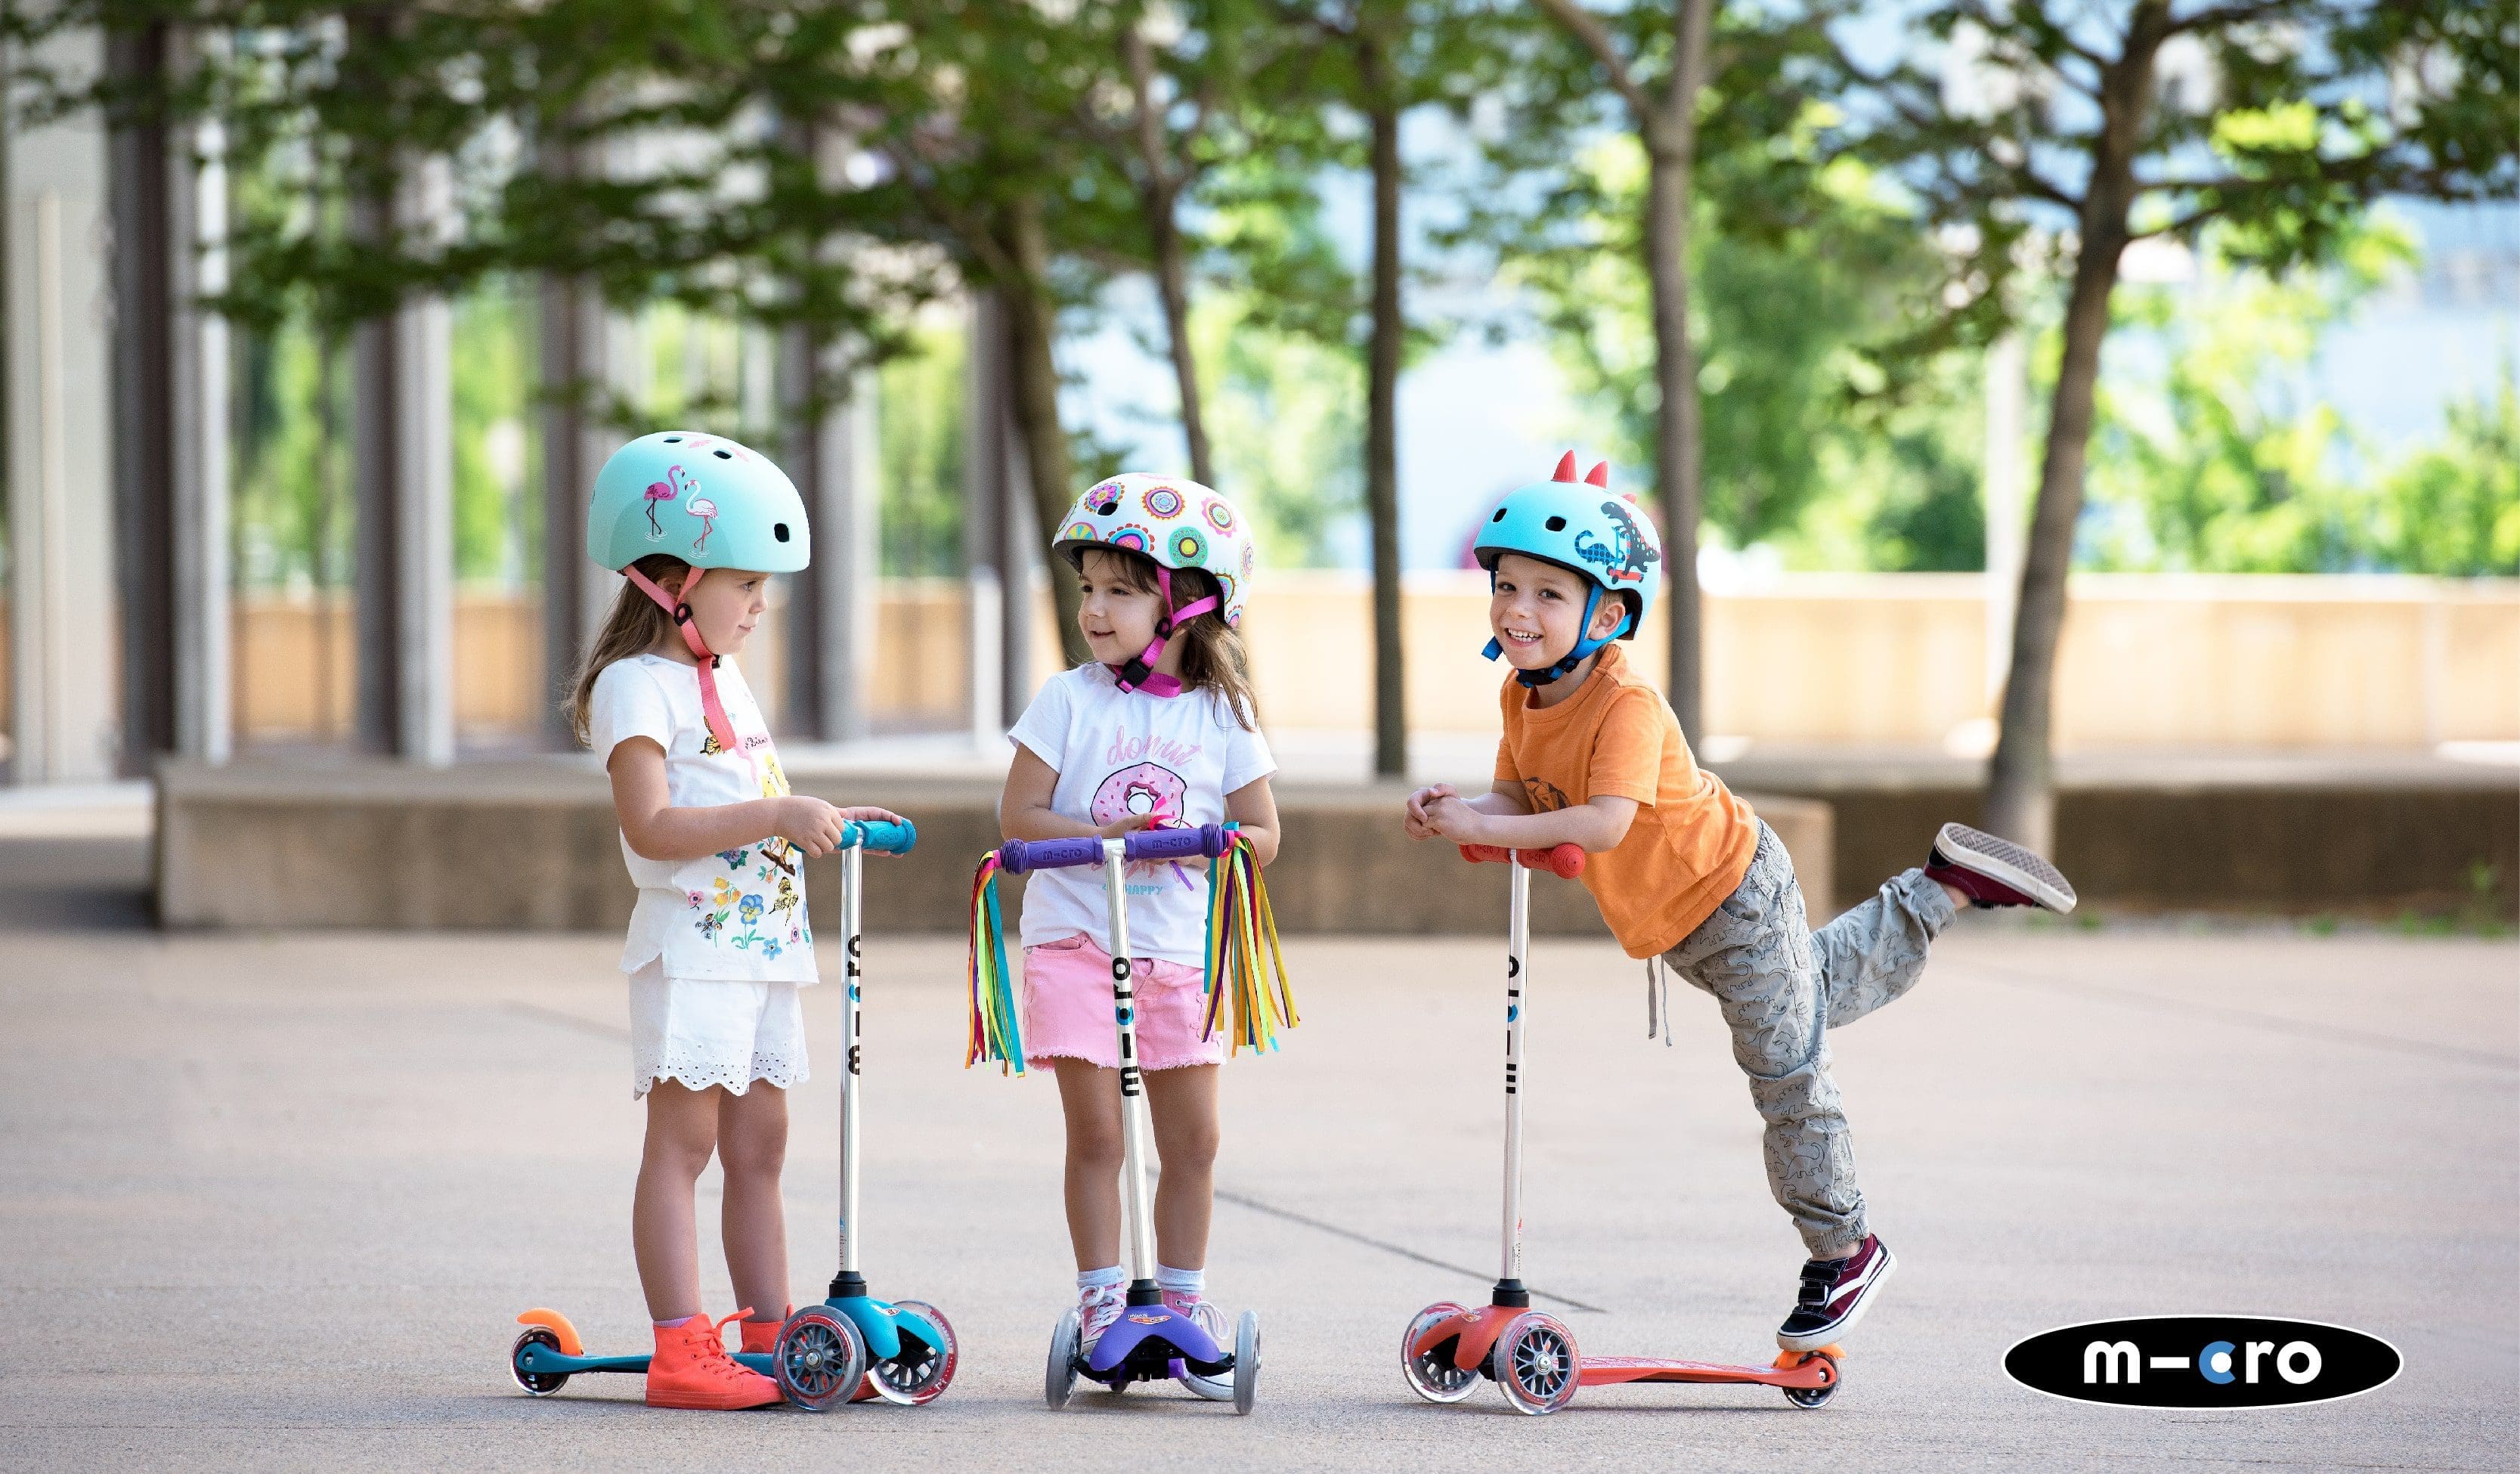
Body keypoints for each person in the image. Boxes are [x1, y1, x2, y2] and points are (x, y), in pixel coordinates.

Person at [1404, 452, 2077, 1352]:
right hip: (1680, 925)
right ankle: (1944, 883)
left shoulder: (1626, 705)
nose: (1517, 610)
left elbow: (1600, 825)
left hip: (1732, 889)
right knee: (1822, 992)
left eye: (1547, 595)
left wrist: (1491, 829)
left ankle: (1845, 1245)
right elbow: (1523, 800)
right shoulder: (1519, 697)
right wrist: (1458, 812)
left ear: (1607, 614)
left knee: (1787, 1072)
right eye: (1507, 587)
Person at [571, 431, 905, 1408]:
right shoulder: (638, 684)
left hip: (761, 955)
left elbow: (751, 799)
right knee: (681, 1149)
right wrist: (774, 814)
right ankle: (681, 1348)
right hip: (692, 955)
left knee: (760, 1149)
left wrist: (824, 818)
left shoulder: (724, 675)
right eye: (747, 584)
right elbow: (654, 823)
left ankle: (772, 1336)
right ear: (669, 579)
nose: (762, 605)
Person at [998, 472, 1281, 1358]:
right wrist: (1102, 835)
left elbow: (1264, 833)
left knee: (1193, 1139)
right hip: (1076, 942)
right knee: (1098, 1133)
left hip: (1180, 950)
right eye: (1089, 587)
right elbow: (1019, 822)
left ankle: (1184, 1299)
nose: (1094, 608)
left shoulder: (1223, 715)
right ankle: (1098, 1299)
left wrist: (1212, 841)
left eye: (1120, 590)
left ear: (1187, 605)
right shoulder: (1066, 699)